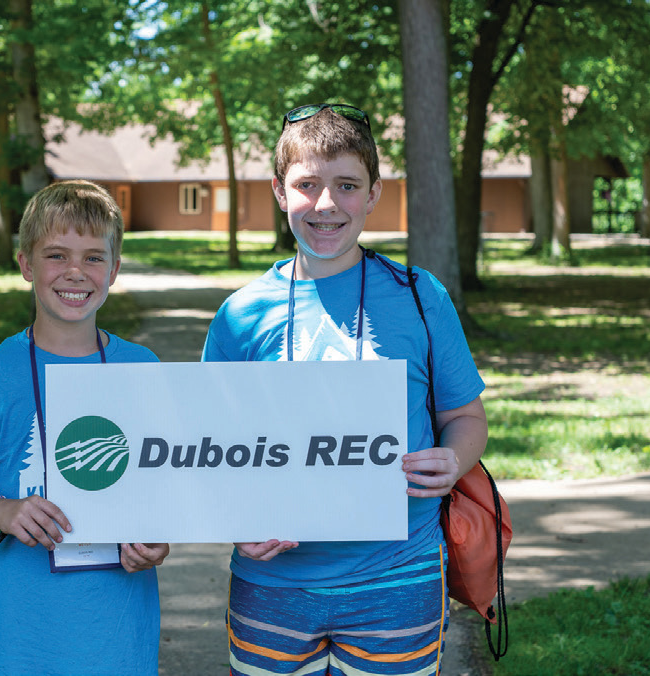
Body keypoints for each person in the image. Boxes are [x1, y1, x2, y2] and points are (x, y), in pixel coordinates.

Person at [202, 103, 488, 675]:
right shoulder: (240, 315)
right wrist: (235, 518)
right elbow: (207, 449)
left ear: (374, 193)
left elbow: (466, 417)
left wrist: (454, 459)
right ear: (280, 192)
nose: (326, 204)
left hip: (398, 575)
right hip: (273, 584)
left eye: (347, 185)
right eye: (307, 185)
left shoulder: (420, 297)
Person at [0, 180, 169, 676]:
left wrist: (155, 540)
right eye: (56, 255)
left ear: (115, 269)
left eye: (94, 257)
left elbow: (163, 490)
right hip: (25, 641)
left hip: (120, 638)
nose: (75, 272)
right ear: (26, 265)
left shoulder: (142, 368)